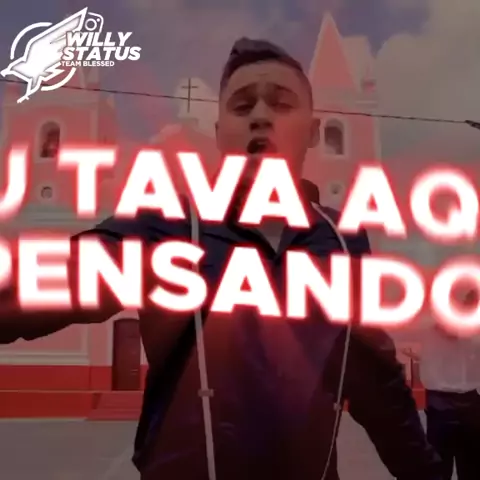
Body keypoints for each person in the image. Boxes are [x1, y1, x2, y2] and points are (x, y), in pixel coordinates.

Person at [1, 38, 443, 480]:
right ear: (220, 132)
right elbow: (44, 282)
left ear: (312, 131)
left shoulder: (343, 240)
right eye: (242, 105)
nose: (260, 115)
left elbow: (379, 387)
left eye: (281, 103)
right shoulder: (165, 226)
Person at [403, 289, 480, 479]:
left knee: (470, 467)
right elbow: (449, 330)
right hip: (441, 402)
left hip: (469, 401)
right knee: (440, 467)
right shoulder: (439, 320)